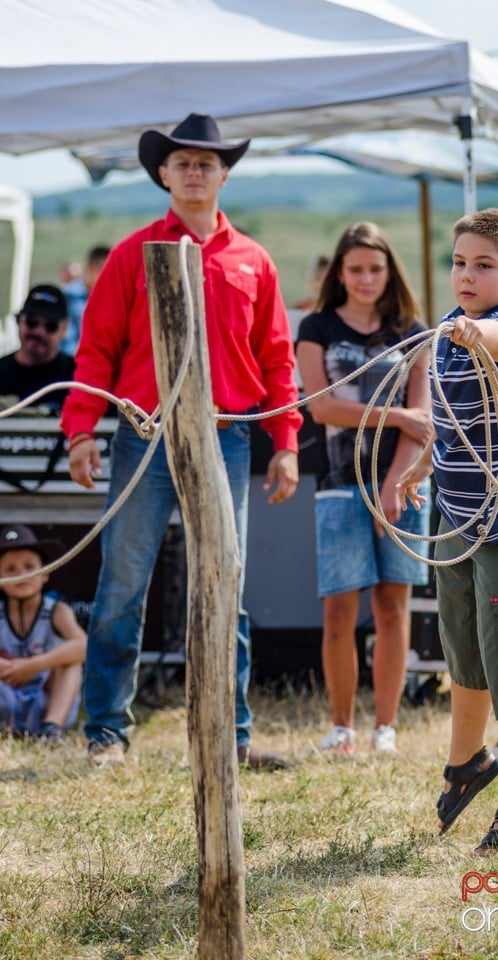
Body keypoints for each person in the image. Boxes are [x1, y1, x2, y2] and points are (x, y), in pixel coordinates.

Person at [60, 113, 302, 769]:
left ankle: (232, 736)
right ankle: (106, 733)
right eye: (183, 162)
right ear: (163, 174)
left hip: (224, 437)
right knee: (122, 586)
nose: (195, 171)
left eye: (207, 162)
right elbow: (97, 351)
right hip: (144, 436)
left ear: (224, 174)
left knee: (227, 583)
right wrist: (81, 429)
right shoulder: (130, 253)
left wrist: (284, 441)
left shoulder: (254, 260)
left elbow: (278, 360)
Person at [397, 208, 498, 855]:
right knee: (461, 645)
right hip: (457, 513)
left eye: (484, 265)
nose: (466, 273)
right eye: (459, 262)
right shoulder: (445, 333)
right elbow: (452, 419)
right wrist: (418, 463)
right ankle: (467, 763)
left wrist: (476, 330)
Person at [296, 221, 434, 755]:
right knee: (338, 609)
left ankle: (385, 727)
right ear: (340, 272)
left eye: (375, 268)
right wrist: (396, 414)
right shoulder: (317, 327)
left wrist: (395, 484)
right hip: (337, 481)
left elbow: (422, 421)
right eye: (355, 269)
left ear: (388, 271)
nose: (365, 278)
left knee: (393, 605)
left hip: (399, 485)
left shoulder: (412, 329)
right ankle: (341, 726)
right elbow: (322, 406)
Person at [0, 524, 86, 743]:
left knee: (70, 661)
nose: (21, 574)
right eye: (11, 569)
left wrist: (32, 666)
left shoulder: (57, 610)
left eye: (30, 567)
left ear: (45, 573)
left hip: (45, 698)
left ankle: (51, 729)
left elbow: (83, 646)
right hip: (6, 699)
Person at [0, 284, 74, 412]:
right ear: (19, 320)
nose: (39, 332)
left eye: (50, 326)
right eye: (32, 322)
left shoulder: (78, 379)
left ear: (64, 329)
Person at [61, 246, 112, 355]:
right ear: (90, 268)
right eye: (103, 270)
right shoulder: (67, 296)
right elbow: (65, 341)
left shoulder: (110, 301)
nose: (108, 277)